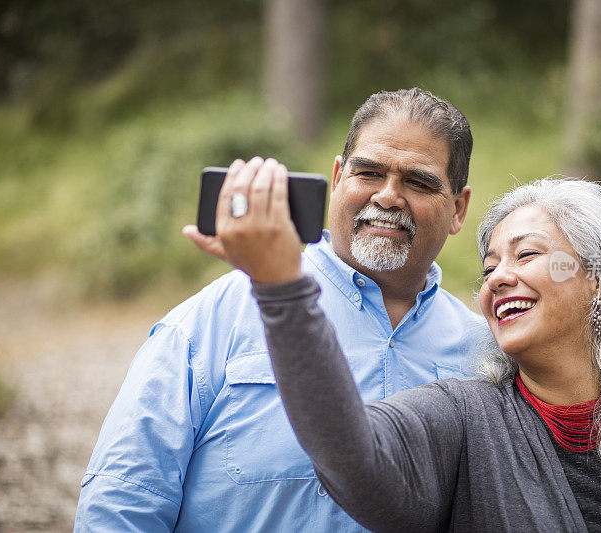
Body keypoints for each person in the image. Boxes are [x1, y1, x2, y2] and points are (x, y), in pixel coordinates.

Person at [216, 173, 601, 532]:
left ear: (600, 279)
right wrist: (282, 288)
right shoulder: (460, 421)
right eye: (488, 269)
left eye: (527, 255)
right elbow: (349, 453)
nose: (499, 279)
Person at [74, 89, 483, 531]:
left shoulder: (485, 354)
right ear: (338, 175)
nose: (387, 196)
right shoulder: (213, 319)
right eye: (369, 173)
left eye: (418, 182)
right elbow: (124, 499)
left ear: (458, 209)